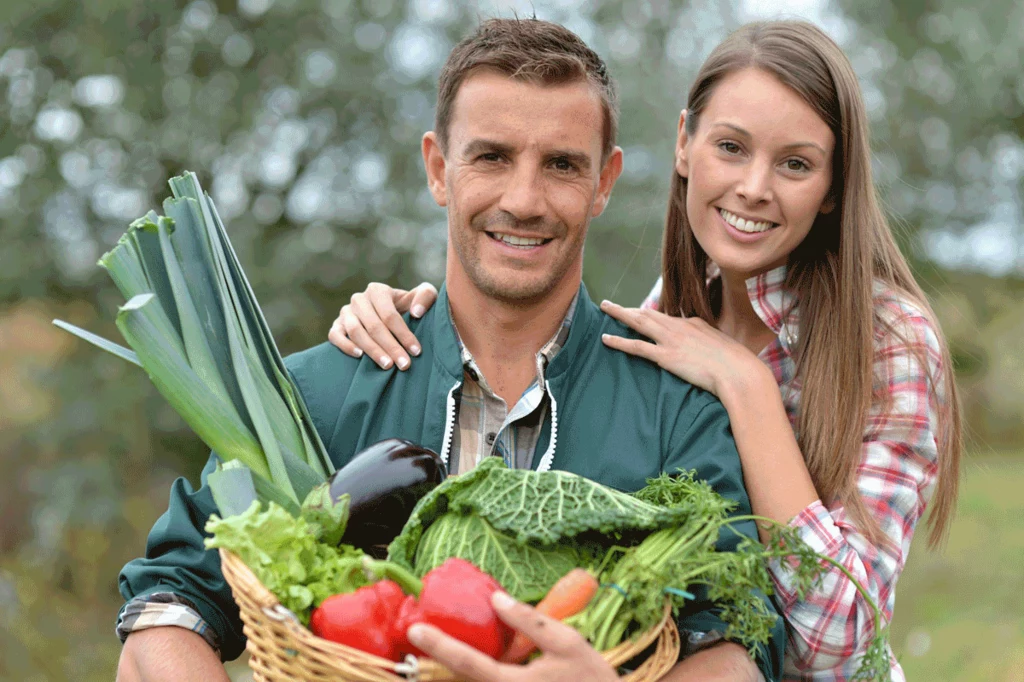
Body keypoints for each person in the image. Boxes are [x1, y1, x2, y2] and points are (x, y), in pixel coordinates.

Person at [115, 17, 784, 682]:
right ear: (439, 169)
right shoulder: (311, 399)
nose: (524, 200)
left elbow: (735, 648)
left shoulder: (676, 411)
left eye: (561, 165)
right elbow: (163, 613)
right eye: (491, 156)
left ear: (604, 182)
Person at [328, 19, 963, 682]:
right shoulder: (669, 313)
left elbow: (838, 641)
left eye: (796, 164)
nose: (753, 186)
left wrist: (747, 390)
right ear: (685, 146)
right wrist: (420, 315)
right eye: (731, 147)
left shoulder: (890, 343)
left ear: (833, 185)